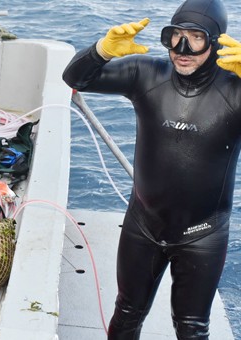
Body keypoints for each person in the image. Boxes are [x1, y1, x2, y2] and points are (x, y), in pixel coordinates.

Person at [62, 0, 241, 338]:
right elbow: (76, 78)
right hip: (142, 224)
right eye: (174, 36)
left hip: (203, 234)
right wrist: (102, 50)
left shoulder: (235, 88)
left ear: (216, 42)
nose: (182, 49)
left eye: (195, 38)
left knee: (192, 328)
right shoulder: (147, 74)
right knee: (127, 314)